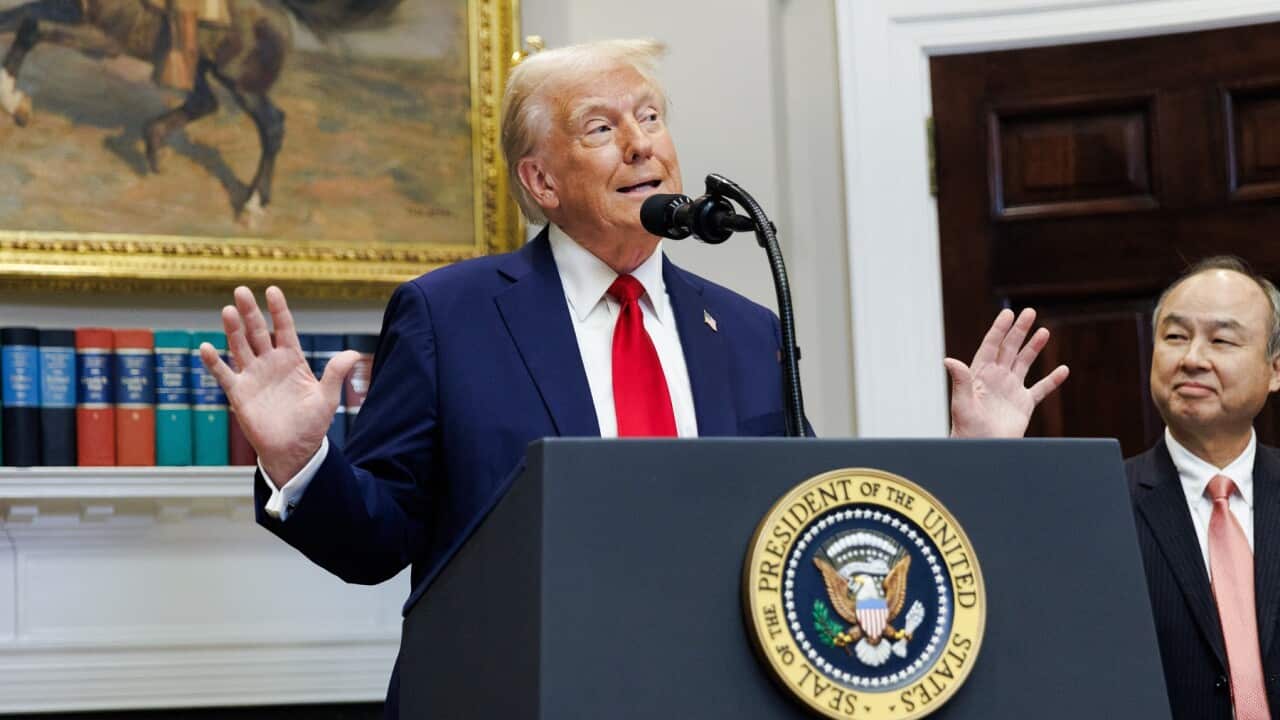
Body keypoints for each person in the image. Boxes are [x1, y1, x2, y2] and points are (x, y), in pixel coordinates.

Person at [199, 39, 1069, 716]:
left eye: (649, 118)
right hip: (523, 697)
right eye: (601, 127)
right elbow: (378, 543)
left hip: (725, 698)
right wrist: (304, 462)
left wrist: (975, 466)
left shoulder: (747, 331)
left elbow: (805, 527)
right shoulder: (449, 316)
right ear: (539, 180)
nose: (640, 144)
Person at [1127, 256, 1280, 720]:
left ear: (1275, 369)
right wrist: (983, 454)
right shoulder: (1102, 503)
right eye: (1175, 337)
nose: (1192, 358)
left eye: (1221, 339)